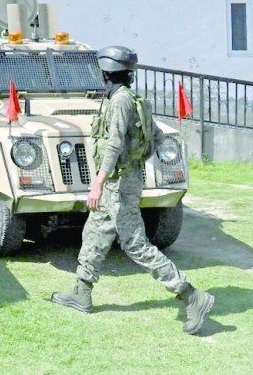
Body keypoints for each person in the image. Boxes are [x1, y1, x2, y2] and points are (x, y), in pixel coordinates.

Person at [50, 46, 215, 335]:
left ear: (106, 74)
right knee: (94, 234)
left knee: (135, 244)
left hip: (118, 184)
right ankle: (82, 292)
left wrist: (98, 184)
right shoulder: (130, 99)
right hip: (123, 180)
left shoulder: (119, 103)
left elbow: (113, 144)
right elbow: (157, 136)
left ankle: (191, 295)